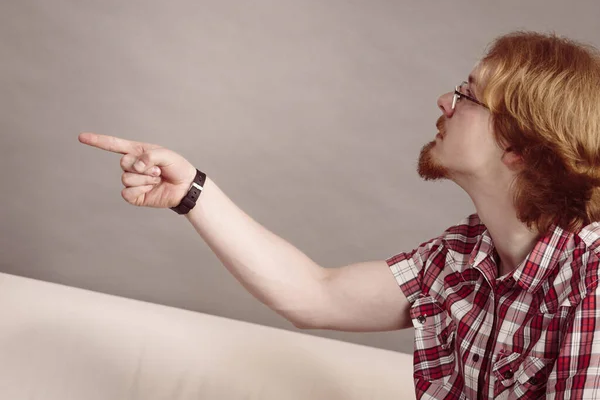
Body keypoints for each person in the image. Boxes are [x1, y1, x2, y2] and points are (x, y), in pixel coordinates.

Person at [78, 30, 600, 400]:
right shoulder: (464, 259)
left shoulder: (590, 282)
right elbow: (315, 294)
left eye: (467, 95)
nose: (444, 101)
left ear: (520, 147)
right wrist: (192, 190)